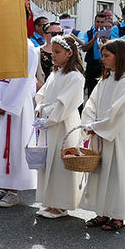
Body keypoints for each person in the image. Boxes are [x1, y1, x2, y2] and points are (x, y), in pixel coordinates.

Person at [81, 39, 125, 232]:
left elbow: (119, 113)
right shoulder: (105, 80)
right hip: (100, 131)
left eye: (107, 56)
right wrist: (89, 123)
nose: (103, 59)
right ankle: (103, 211)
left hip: (117, 134)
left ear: (120, 56)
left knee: (117, 175)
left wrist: (96, 126)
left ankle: (118, 215)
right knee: (101, 174)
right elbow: (91, 103)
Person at [33, 34, 85, 219]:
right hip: (49, 123)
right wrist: (39, 109)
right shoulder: (55, 73)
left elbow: (65, 104)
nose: (52, 55)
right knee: (49, 163)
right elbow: (42, 94)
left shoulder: (75, 77)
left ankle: (62, 204)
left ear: (69, 53)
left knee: (60, 163)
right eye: (52, 51)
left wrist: (47, 117)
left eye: (57, 52)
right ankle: (51, 201)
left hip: (63, 124)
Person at [0, 44, 39, 208]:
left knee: (13, 143)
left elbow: (24, 79)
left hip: (16, 101)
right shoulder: (2, 42)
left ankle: (13, 190)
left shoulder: (27, 47)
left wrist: (6, 104)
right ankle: (2, 187)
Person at [80, 12, 111, 98]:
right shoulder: (89, 33)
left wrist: (105, 41)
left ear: (105, 23)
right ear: (95, 22)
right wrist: (94, 38)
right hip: (92, 64)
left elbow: (112, 49)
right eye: (98, 22)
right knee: (91, 88)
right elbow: (84, 48)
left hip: (104, 64)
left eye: (102, 22)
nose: (99, 24)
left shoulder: (108, 33)